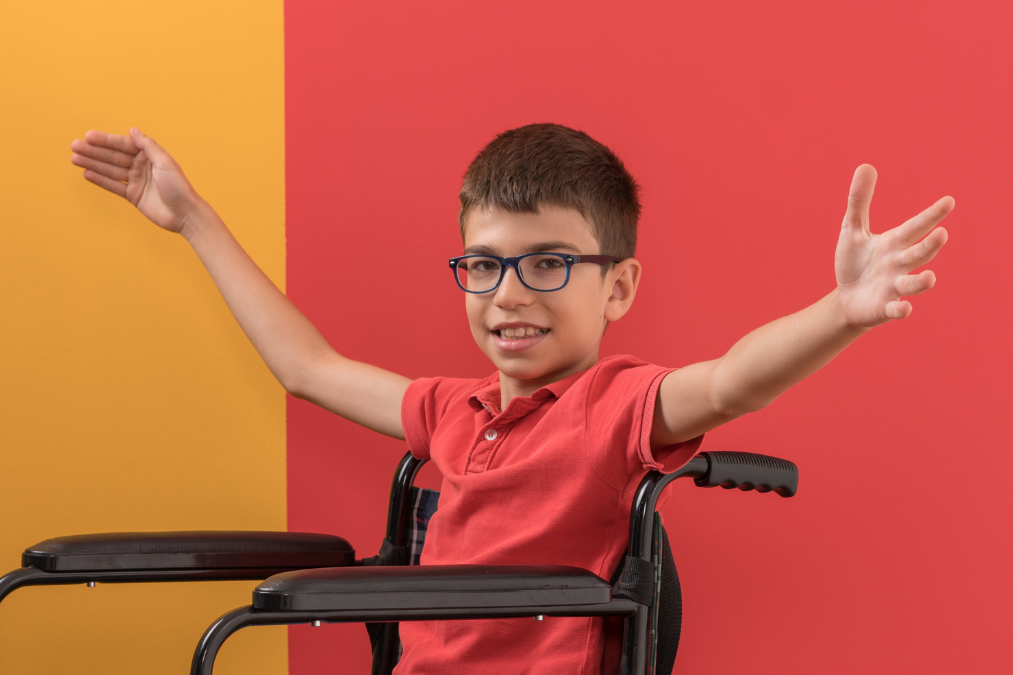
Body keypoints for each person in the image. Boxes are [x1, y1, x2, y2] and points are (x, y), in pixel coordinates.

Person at [69, 123, 951, 675]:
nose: (508, 294)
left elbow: (730, 379)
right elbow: (306, 365)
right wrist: (192, 218)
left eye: (547, 264)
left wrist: (839, 312)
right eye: (484, 264)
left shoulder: (614, 404)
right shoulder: (451, 413)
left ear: (618, 286)